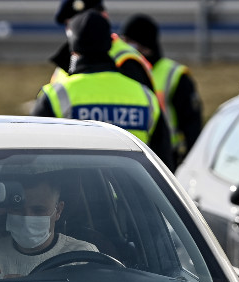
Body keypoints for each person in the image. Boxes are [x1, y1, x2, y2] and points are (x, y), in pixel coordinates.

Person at [31, 10, 174, 169]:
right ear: (110, 44)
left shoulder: (55, 96)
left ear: (73, 50)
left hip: (75, 191)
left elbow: (33, 160)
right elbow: (164, 165)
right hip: (132, 192)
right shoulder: (145, 96)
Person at [0, 175, 98, 279]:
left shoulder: (82, 257)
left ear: (58, 210)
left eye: (38, 210)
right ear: (7, 208)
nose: (27, 217)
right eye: (17, 208)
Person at [121, 13, 203, 166]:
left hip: (168, 157)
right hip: (133, 153)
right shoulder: (126, 70)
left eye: (128, 41)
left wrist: (190, 163)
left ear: (144, 45)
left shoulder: (175, 75)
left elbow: (192, 125)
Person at [47, 0, 155, 92]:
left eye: (89, 20)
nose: (81, 26)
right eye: (71, 24)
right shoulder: (64, 64)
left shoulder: (126, 61)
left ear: (104, 16)